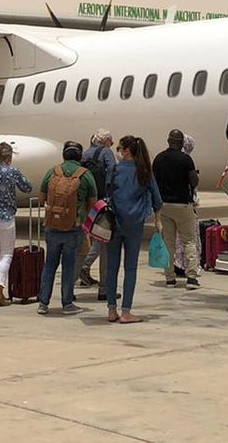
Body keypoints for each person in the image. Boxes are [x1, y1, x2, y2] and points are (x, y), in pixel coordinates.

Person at [104, 135, 162, 323]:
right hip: (135, 224)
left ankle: (111, 310)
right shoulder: (145, 171)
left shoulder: (114, 170)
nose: (119, 152)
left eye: (120, 149)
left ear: (126, 150)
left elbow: (107, 192)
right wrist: (158, 220)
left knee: (111, 268)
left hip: (114, 224)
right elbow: (157, 199)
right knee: (130, 268)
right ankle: (126, 310)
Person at [37, 140, 97, 315]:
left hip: (52, 226)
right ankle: (67, 303)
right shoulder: (85, 174)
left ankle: (43, 303)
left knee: (50, 264)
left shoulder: (52, 172)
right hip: (74, 226)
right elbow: (93, 203)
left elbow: (41, 198)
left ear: (63, 155)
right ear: (80, 156)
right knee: (69, 265)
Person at [0, 142, 32, 307]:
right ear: (9, 156)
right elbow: (27, 187)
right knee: (6, 255)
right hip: (6, 218)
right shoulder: (12, 171)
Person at [152, 128, 200, 288]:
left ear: (168, 141)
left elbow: (154, 183)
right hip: (183, 205)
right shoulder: (186, 160)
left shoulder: (158, 159)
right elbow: (194, 181)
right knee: (189, 241)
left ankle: (170, 278)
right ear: (181, 143)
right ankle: (192, 277)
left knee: (168, 243)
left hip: (164, 205)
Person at [77, 129, 117, 292]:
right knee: (102, 238)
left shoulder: (85, 154)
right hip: (102, 201)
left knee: (92, 237)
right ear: (106, 141)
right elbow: (113, 171)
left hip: (88, 201)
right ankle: (88, 271)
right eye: (110, 140)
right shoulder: (107, 153)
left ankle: (83, 269)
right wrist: (110, 193)